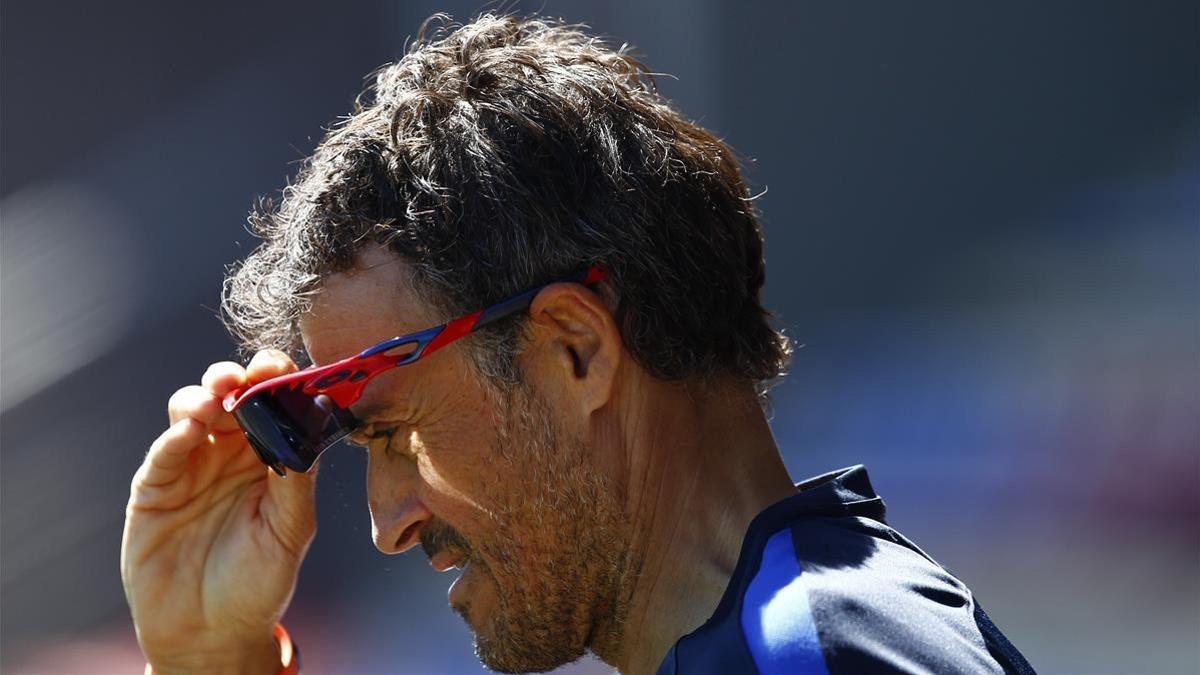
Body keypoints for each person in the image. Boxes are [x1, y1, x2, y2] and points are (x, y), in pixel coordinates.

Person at [121, 13, 1034, 675]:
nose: (387, 520)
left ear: (575, 352)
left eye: (395, 434)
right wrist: (212, 658)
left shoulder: (812, 648)